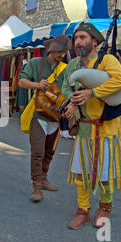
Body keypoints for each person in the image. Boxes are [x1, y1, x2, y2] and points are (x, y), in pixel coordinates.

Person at [61, 22, 121, 229]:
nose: (78, 42)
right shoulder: (73, 64)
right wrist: (72, 101)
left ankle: (104, 208)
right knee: (81, 174)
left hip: (106, 129)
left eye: (83, 37)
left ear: (94, 40)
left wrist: (92, 92)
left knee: (105, 174)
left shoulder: (108, 60)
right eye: (76, 38)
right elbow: (66, 86)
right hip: (84, 128)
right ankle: (83, 210)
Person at [18, 35, 71, 202]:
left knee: (50, 152)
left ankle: (44, 178)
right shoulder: (36, 63)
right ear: (51, 49)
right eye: (59, 51)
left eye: (64, 51)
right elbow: (21, 81)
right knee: (38, 152)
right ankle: (37, 186)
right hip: (39, 115)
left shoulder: (66, 67)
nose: (62, 54)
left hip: (56, 115)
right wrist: (37, 85)